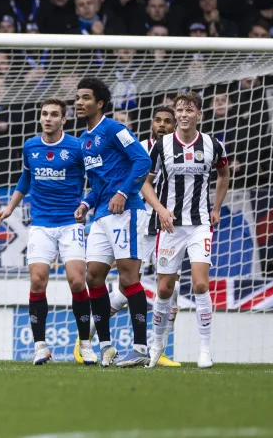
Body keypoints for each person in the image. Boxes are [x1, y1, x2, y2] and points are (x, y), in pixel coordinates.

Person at [83, 105, 182, 368]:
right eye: (157, 120)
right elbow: (103, 181)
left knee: (162, 283)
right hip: (126, 215)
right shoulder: (127, 142)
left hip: (163, 221)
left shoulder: (184, 148)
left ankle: (151, 348)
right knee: (103, 276)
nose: (162, 125)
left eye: (168, 121)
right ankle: (104, 341)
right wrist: (86, 202)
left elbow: (142, 166)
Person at [0, 98, 89, 365]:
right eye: (44, 114)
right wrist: (10, 208)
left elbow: (94, 179)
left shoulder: (76, 147)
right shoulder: (30, 146)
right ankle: (40, 347)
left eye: (54, 114)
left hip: (70, 223)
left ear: (63, 120)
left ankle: (85, 344)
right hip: (41, 224)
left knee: (77, 281)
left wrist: (86, 204)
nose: (48, 118)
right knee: (37, 281)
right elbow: (26, 177)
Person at [143, 91, 230, 370]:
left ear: (198, 115)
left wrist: (216, 208)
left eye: (189, 110)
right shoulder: (162, 145)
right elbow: (144, 182)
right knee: (165, 289)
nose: (183, 114)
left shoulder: (213, 144)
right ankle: (156, 344)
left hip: (200, 224)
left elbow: (224, 174)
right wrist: (160, 210)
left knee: (200, 284)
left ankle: (205, 349)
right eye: (179, 110)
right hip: (170, 227)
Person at [72, 77, 152, 367]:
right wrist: (85, 203)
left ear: (100, 103)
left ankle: (141, 349)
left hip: (126, 211)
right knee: (93, 275)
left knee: (128, 278)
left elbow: (143, 161)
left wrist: (122, 192)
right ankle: (106, 346)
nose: (79, 102)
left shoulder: (114, 129)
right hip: (102, 215)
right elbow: (97, 185)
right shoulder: (83, 142)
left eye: (85, 97)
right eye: (77, 97)